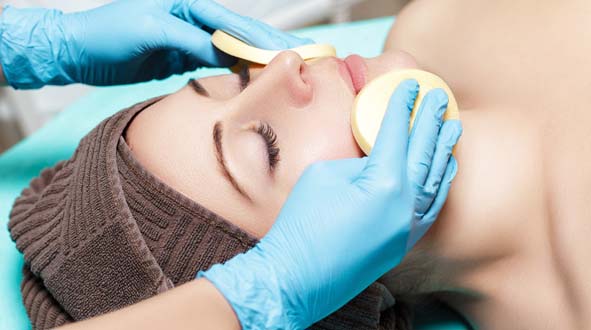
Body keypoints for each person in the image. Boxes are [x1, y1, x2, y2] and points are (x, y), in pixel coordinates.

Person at [1, 1, 460, 329]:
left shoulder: (432, 21)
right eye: (266, 147)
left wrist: (28, 43)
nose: (284, 65)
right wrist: (273, 292)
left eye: (238, 80)